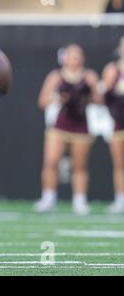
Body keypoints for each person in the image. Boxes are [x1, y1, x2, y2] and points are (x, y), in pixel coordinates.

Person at [34, 44, 100, 215]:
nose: (74, 59)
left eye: (78, 56)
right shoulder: (56, 76)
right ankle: (48, 197)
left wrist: (90, 93)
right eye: (71, 56)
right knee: (51, 162)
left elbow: (100, 100)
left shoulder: (89, 76)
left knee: (79, 166)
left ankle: (79, 200)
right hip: (59, 127)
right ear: (64, 58)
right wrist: (57, 99)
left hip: (81, 127)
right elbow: (42, 101)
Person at [102, 36, 124, 213]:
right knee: (119, 163)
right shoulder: (112, 69)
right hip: (119, 121)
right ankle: (120, 198)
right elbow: (102, 96)